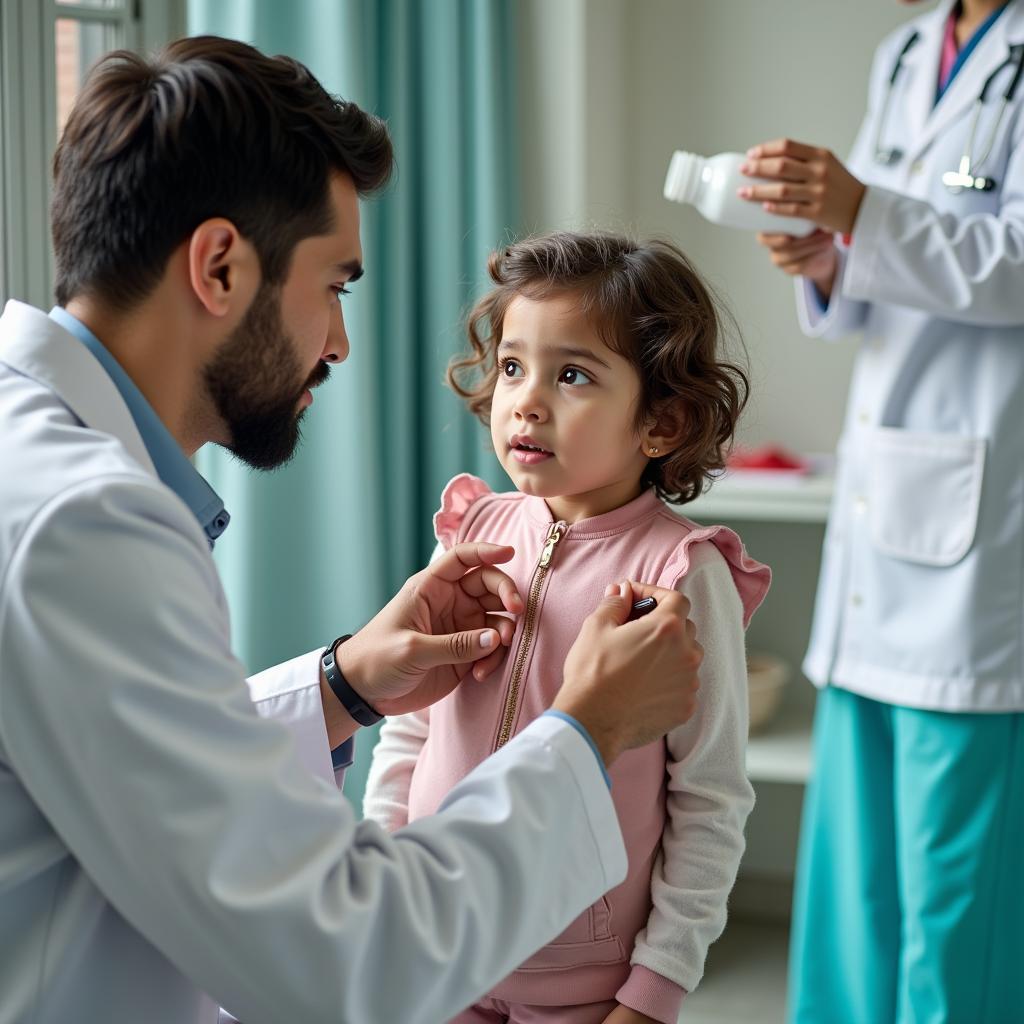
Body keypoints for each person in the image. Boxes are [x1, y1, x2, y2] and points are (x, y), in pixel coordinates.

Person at [0, 37, 708, 1024]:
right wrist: (585, 734)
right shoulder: (88, 524)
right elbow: (334, 954)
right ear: (219, 267)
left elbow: (116, 757)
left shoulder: (35, 458)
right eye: (335, 285)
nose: (337, 342)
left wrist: (344, 683)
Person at [364, 232, 772, 1024]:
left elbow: (710, 796)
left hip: (582, 978)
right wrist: (379, 876)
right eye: (513, 367)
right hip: (432, 944)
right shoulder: (471, 531)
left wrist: (655, 992)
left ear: (661, 422)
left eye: (573, 374)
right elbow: (410, 729)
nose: (526, 400)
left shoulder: (683, 576)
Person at [739, 1, 1024, 1021]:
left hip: (986, 531)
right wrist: (827, 257)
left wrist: (865, 212)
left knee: (952, 897)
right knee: (856, 882)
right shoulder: (905, 52)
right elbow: (873, 247)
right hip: (889, 503)